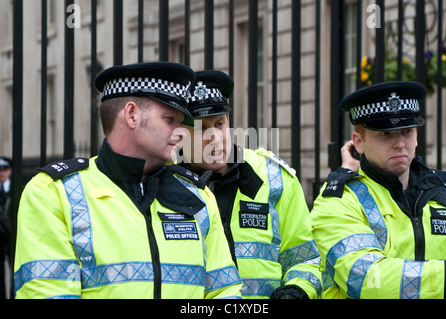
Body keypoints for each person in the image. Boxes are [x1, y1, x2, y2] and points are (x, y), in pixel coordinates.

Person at [14, 62, 242, 299]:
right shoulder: (53, 194)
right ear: (132, 115)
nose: (182, 131)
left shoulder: (198, 195)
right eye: (170, 119)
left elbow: (224, 293)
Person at [179, 70, 322, 299]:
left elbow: (307, 258)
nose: (214, 137)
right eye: (201, 128)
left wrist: (298, 290)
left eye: (219, 123)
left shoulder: (275, 177)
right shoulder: (164, 186)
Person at [311, 81, 446, 299]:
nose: (400, 143)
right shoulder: (337, 201)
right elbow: (368, 279)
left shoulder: (445, 190)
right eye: (385, 133)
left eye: (407, 131)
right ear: (359, 143)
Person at [0, 157, 12, 299]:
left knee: (15, 272)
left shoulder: (17, 188)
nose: (2, 173)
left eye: (5, 170)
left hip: (12, 237)